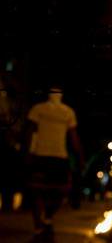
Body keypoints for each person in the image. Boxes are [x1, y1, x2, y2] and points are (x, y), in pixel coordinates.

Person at [26, 86, 83, 242]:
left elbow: (73, 136)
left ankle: (46, 220)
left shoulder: (68, 112)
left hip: (58, 155)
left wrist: (79, 156)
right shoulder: (38, 109)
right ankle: (39, 227)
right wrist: (28, 152)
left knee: (60, 190)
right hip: (41, 155)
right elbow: (30, 131)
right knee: (37, 190)